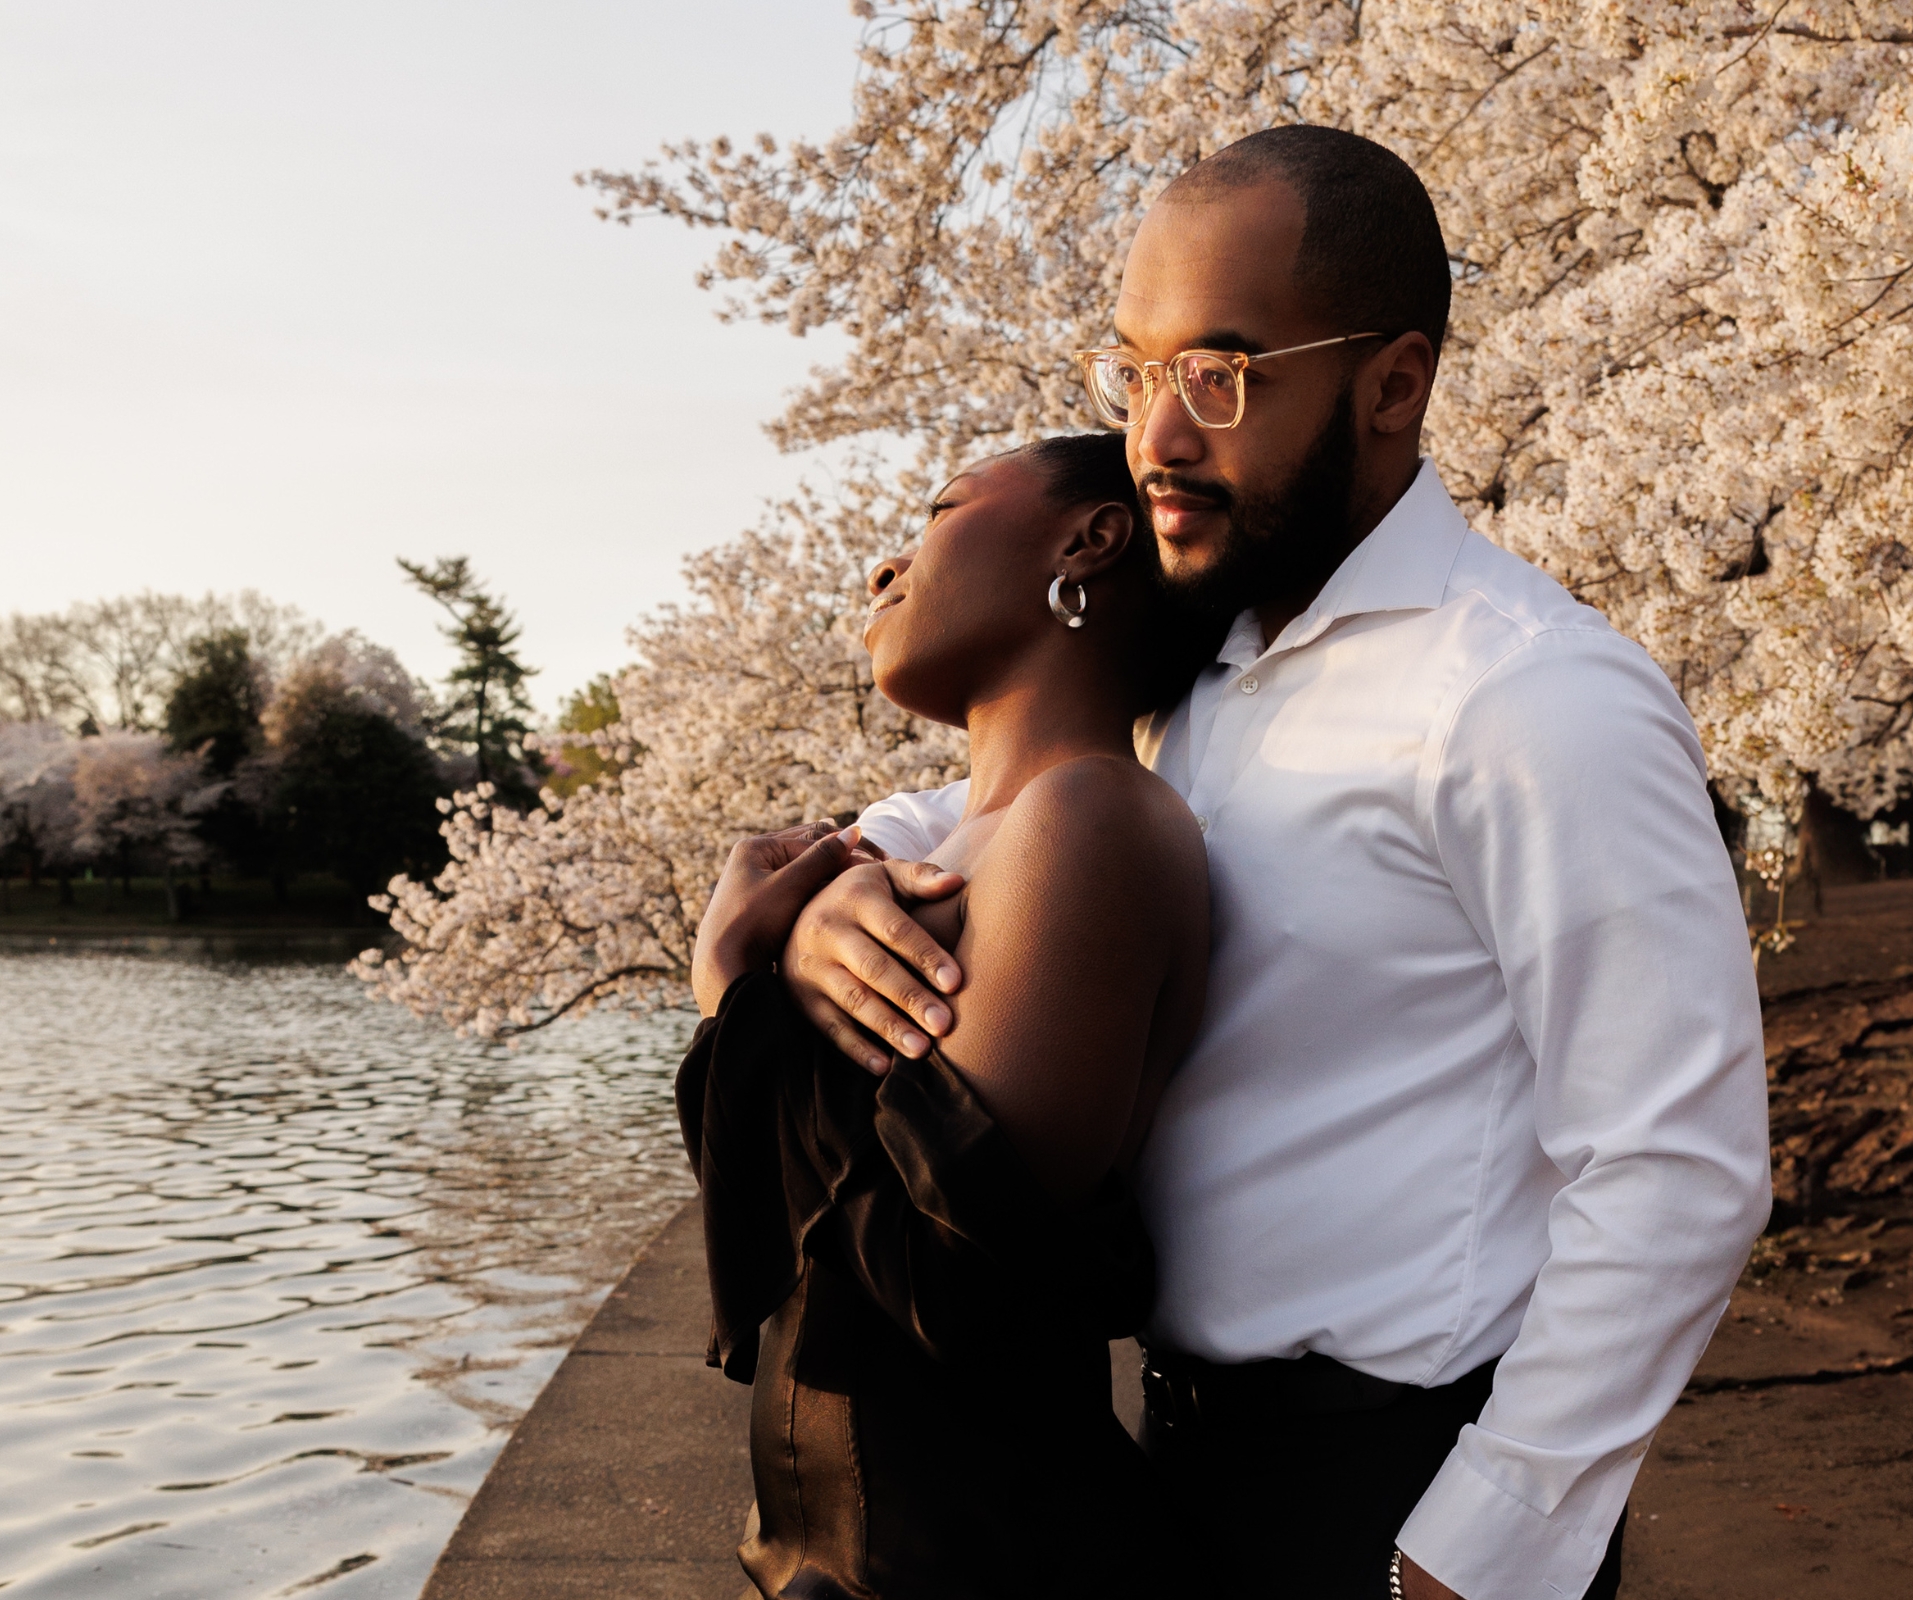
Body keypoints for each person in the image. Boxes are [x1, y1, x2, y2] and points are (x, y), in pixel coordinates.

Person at [774, 127, 1773, 1599]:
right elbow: (1028, 796)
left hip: (1395, 1493)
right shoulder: (1211, 664)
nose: (1159, 437)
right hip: (1178, 1473)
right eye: (1137, 371)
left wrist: (1486, 1542)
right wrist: (839, 889)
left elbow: (1678, 1161)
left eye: (1222, 376)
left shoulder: (1529, 697)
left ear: (1392, 385)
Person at [678, 433, 1216, 1598]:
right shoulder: (939, 848)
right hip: (834, 1550)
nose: (882, 567)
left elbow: (950, 1272)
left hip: (977, 1555)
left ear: (1090, 538)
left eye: (939, 508)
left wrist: (733, 985)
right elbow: (795, 1206)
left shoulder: (1090, 814)